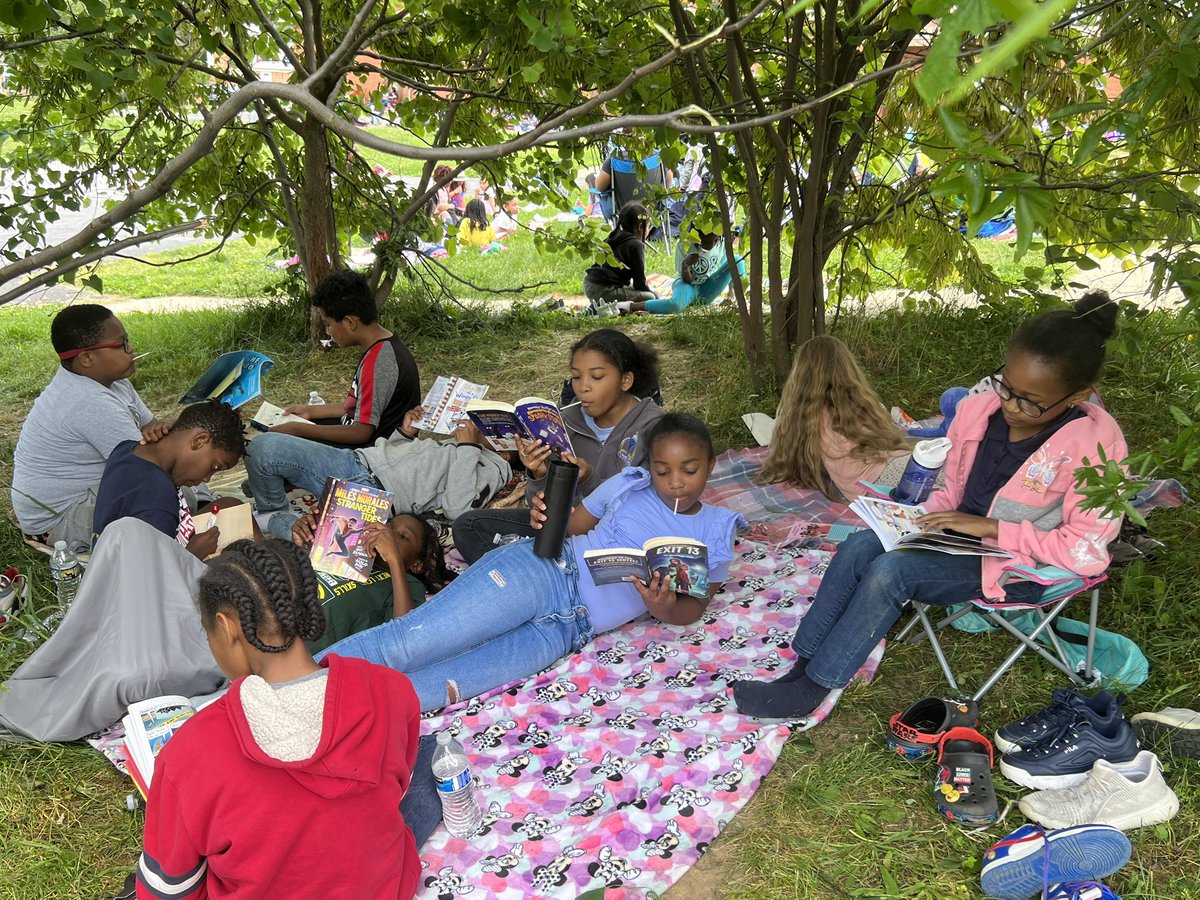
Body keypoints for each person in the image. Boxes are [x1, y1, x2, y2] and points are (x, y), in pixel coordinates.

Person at [734, 292, 1128, 722]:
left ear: (1076, 397)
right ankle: (803, 663)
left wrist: (990, 528)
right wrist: (919, 519)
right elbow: (952, 490)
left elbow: (1087, 552)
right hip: (955, 541)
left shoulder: (1097, 450)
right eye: (1006, 388)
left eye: (1031, 401)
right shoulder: (979, 411)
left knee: (891, 571)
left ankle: (816, 686)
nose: (1011, 407)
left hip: (1014, 563)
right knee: (861, 546)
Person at [319, 414, 742, 712]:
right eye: (663, 470)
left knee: (434, 688)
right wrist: (543, 512)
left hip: (566, 630)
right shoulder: (629, 486)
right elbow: (572, 524)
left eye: (690, 469)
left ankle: (319, 712)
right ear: (649, 466)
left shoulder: (717, 529)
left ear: (710, 464)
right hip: (544, 572)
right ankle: (296, 686)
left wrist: (664, 606)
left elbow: (694, 607)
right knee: (411, 642)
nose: (676, 482)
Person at [137, 539, 439, 899]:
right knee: (427, 761)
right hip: (384, 886)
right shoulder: (391, 690)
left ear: (227, 625)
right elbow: (394, 787)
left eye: (209, 633)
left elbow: (169, 890)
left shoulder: (189, 754)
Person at [452, 328, 664, 563]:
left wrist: (588, 479)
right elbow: (543, 508)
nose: (583, 387)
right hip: (561, 528)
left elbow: (643, 509)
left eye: (596, 377)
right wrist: (538, 473)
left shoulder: (653, 429)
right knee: (468, 525)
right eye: (576, 376)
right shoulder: (564, 422)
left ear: (626, 380)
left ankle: (541, 577)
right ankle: (544, 577)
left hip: (616, 538)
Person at [11, 304, 174, 551]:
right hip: (62, 521)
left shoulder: (113, 383)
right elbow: (149, 468)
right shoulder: (87, 401)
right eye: (121, 345)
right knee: (173, 491)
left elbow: (151, 428)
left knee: (184, 469)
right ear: (86, 358)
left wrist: (166, 434)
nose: (131, 350)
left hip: (87, 498)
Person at [246, 406, 513, 539]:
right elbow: (405, 461)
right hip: (357, 461)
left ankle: (276, 520)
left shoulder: (494, 467)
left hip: (373, 494)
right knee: (262, 447)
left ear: (505, 452)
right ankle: (272, 510)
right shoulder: (460, 445)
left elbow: (458, 508)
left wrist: (469, 447)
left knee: (320, 546)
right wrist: (404, 434)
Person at [263, 269, 421, 447]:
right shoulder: (383, 346)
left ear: (350, 322)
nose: (328, 331)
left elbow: (360, 433)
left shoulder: (378, 362)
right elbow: (357, 408)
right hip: (361, 436)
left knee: (280, 446)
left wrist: (298, 429)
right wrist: (309, 411)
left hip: (371, 454)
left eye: (328, 324)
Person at [757, 335, 914, 503]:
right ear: (847, 368)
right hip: (900, 472)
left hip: (886, 483)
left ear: (801, 375)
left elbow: (787, 458)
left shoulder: (806, 417)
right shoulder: (859, 403)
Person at [93, 400, 246, 558]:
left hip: (156, 545)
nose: (207, 479)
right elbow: (151, 577)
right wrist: (191, 554)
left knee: (230, 505)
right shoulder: (157, 504)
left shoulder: (128, 448)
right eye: (214, 467)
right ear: (199, 441)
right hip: (157, 567)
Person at [294, 512, 453, 651]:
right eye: (387, 527)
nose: (386, 535)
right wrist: (305, 541)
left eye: (403, 537)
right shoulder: (344, 556)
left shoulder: (407, 583)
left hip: (298, 646)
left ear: (416, 565)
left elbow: (406, 634)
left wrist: (393, 559)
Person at [628, 226, 746, 315]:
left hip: (707, 288)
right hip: (688, 286)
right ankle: (633, 306)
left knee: (737, 260)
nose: (711, 245)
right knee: (675, 305)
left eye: (714, 241)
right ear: (696, 236)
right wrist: (685, 265)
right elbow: (687, 280)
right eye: (706, 241)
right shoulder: (684, 245)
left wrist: (732, 292)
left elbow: (728, 267)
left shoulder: (720, 243)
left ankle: (737, 298)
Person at [582, 202, 657, 315]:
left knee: (635, 288)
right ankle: (601, 307)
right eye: (648, 227)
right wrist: (654, 294)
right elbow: (639, 283)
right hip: (604, 290)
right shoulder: (636, 245)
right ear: (640, 227)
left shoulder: (614, 235)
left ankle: (600, 303)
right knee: (650, 297)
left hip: (589, 284)